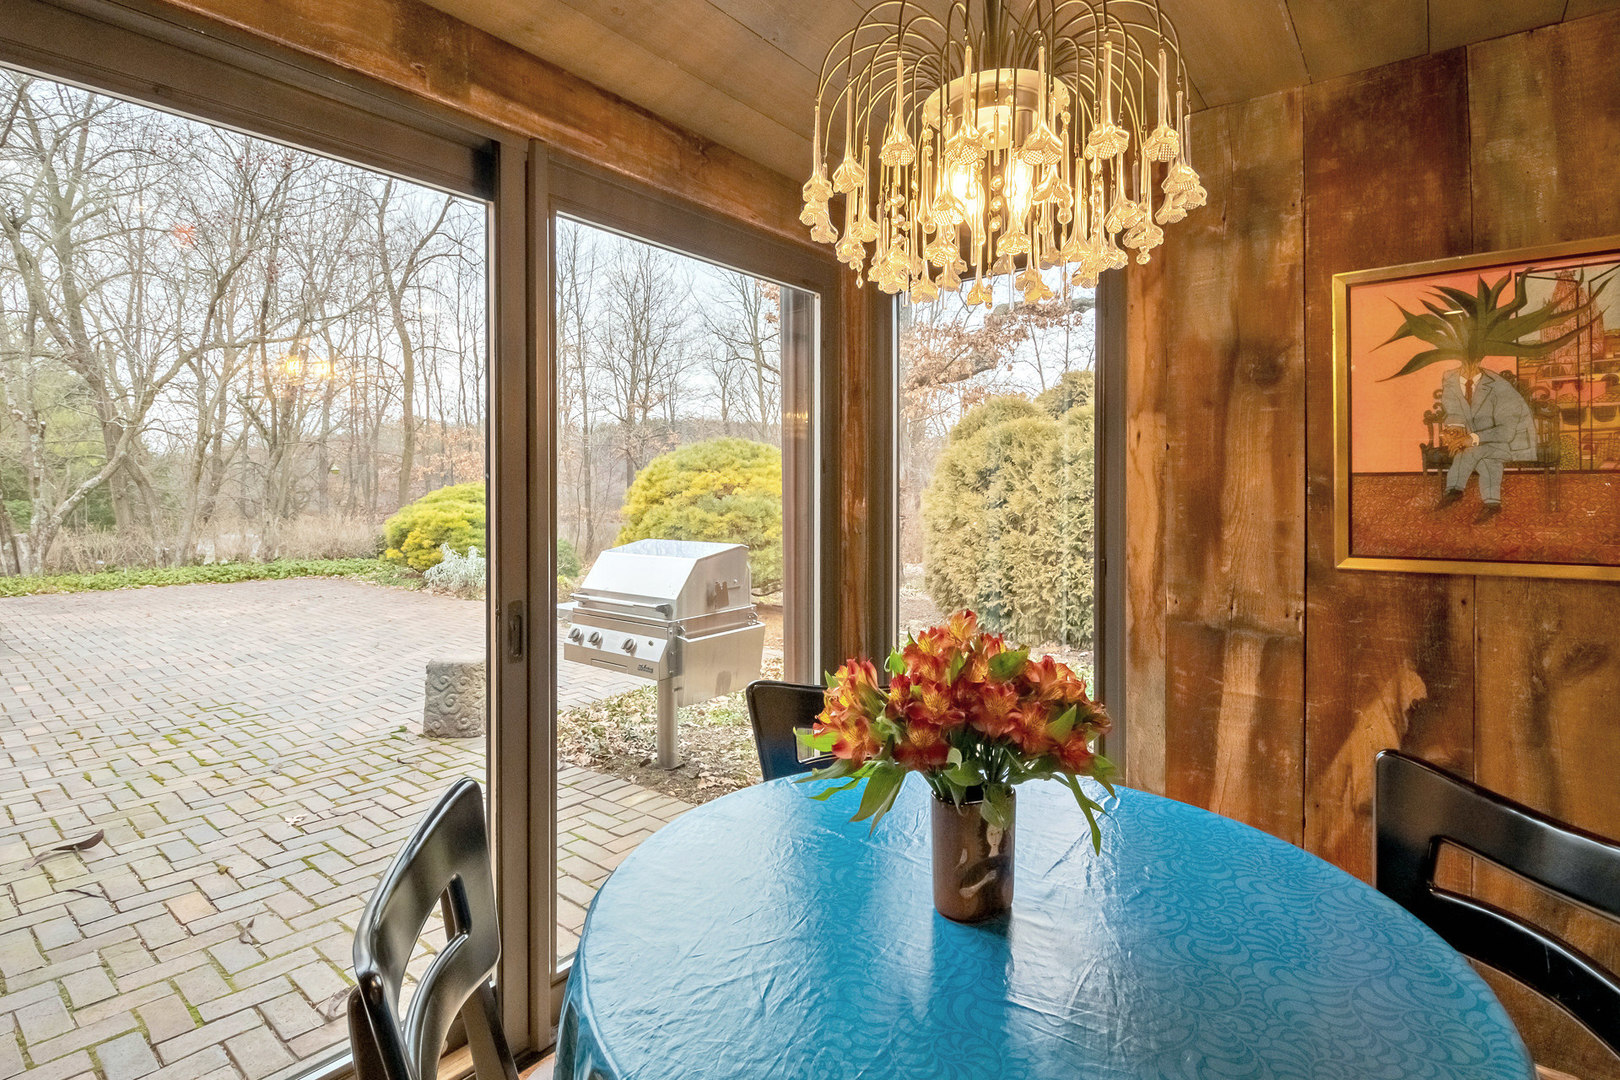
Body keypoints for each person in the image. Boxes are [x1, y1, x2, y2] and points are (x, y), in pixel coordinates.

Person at [1434, 358, 1537, 523]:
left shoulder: (1500, 387)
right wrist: (1454, 429)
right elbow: (1453, 409)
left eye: (1471, 363)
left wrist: (1471, 439)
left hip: (1510, 442)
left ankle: (1454, 490)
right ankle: (1492, 503)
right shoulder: (1451, 378)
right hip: (1485, 444)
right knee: (1487, 459)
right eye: (1463, 362)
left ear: (1478, 361)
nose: (1466, 370)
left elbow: (1507, 432)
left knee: (1472, 449)